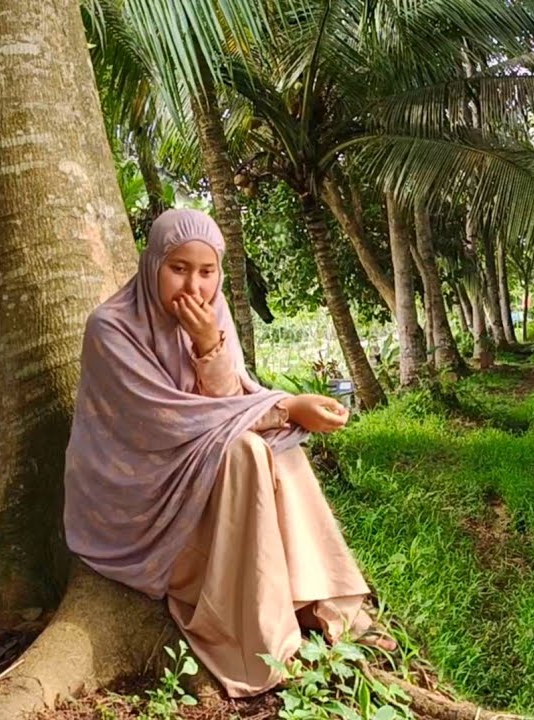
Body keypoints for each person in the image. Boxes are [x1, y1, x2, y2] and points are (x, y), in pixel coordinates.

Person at [62, 208, 394, 699]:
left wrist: (207, 344)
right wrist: (286, 406)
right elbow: (168, 420)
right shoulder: (110, 328)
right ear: (152, 264)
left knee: (278, 451)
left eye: (206, 271)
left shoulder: (213, 318)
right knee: (244, 450)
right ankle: (260, 641)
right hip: (137, 503)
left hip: (198, 475)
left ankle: (332, 609)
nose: (193, 286)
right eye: (179, 269)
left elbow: (229, 403)